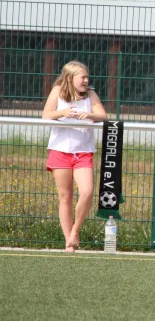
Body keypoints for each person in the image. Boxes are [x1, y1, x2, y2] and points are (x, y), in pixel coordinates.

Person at [42, 61, 108, 253]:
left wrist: (89, 115)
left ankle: (75, 231)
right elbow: (46, 115)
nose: (86, 81)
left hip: (83, 152)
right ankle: (68, 241)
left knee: (87, 191)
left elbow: (103, 116)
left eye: (87, 77)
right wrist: (62, 112)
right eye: (83, 77)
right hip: (60, 150)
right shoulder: (57, 91)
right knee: (65, 197)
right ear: (69, 78)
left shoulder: (90, 94)